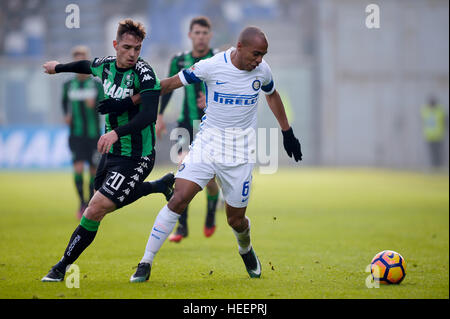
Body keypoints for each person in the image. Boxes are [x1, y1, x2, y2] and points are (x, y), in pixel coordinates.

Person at [117, 26, 302, 282]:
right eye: (256, 53)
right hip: (207, 146)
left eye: (263, 54)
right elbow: (170, 83)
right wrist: (129, 101)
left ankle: (246, 249)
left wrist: (287, 132)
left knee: (236, 220)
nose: (260, 59)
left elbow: (272, 95)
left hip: (240, 155)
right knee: (178, 198)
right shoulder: (212, 66)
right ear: (239, 48)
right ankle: (145, 262)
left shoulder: (262, 70)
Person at [40, 19, 175, 282]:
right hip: (112, 153)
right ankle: (159, 186)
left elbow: (148, 115)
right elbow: (85, 65)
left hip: (137, 156)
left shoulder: (144, 74)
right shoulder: (105, 66)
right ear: (115, 45)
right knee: (101, 199)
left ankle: (61, 267)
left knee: (95, 208)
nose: (133, 54)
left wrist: (115, 132)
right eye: (127, 47)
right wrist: (59, 68)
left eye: (137, 48)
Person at [157, 16, 221, 242]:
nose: (201, 37)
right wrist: (160, 116)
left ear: (210, 35)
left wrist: (212, 99)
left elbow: (227, 89)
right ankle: (182, 226)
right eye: (197, 33)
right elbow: (170, 88)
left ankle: (211, 213)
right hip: (185, 124)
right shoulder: (179, 60)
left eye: (204, 33)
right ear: (190, 35)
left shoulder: (219, 59)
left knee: (210, 181)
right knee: (183, 170)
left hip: (211, 126)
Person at [62, 45, 103, 219]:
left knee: (93, 171)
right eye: (77, 58)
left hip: (93, 135)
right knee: (78, 169)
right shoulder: (68, 85)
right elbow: (64, 103)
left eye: (83, 58)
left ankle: (89, 202)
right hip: (76, 135)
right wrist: (66, 115)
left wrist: (94, 106)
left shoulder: (95, 84)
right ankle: (81, 203)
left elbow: (104, 106)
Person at [421, 96, 447, 168]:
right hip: (429, 136)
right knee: (432, 153)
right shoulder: (425, 110)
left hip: (438, 135)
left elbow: (445, 122)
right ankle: (434, 166)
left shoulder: (440, 111)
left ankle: (440, 166)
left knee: (439, 152)